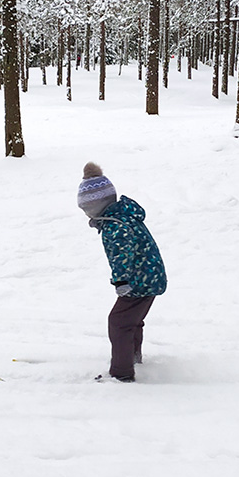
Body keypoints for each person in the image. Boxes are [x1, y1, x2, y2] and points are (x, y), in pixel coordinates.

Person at [77, 162, 167, 382]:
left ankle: (122, 373)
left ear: (97, 205)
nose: (86, 213)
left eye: (88, 209)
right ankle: (133, 357)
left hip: (140, 281)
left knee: (119, 323)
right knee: (131, 321)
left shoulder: (115, 226)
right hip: (150, 277)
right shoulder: (122, 216)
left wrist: (121, 281)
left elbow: (121, 255)